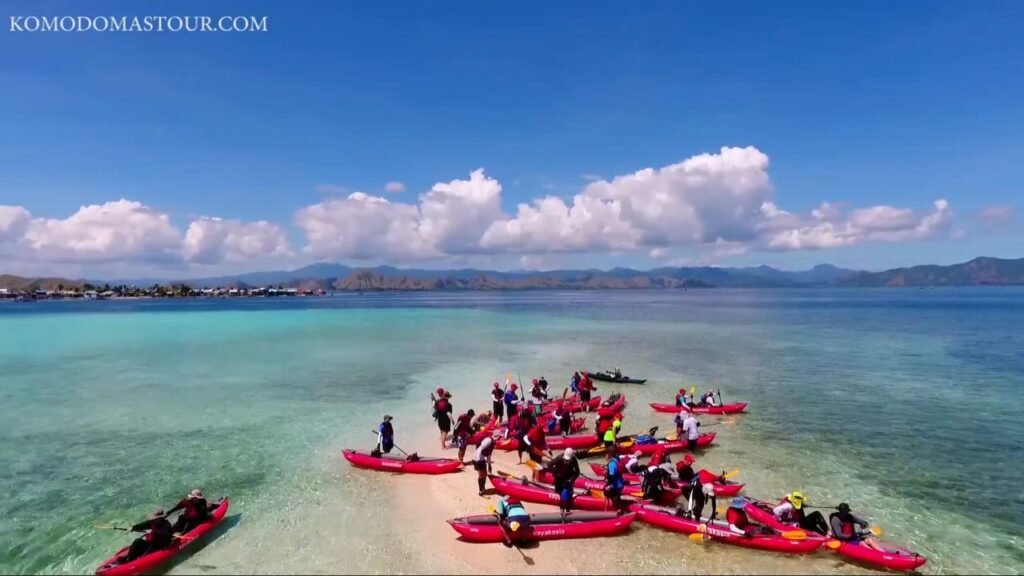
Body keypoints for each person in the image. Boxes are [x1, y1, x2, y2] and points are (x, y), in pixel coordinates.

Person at [543, 448, 581, 517]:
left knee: (569, 494)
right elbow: (549, 464)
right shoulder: (559, 458)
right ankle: (562, 511)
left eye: (568, 460)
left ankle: (568, 511)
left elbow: (577, 472)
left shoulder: (573, 460)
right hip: (559, 478)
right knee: (560, 494)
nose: (566, 462)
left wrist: (571, 480)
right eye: (566, 460)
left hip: (568, 479)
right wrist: (555, 473)